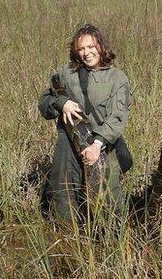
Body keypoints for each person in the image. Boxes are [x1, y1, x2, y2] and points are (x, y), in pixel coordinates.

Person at [39, 24, 131, 223]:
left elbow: (117, 117)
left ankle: (113, 244)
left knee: (108, 200)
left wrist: (97, 145)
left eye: (91, 47)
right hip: (68, 142)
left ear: (101, 46)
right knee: (63, 192)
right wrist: (61, 103)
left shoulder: (117, 78)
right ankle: (69, 241)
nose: (86, 53)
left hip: (103, 143)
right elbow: (45, 103)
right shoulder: (66, 74)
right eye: (81, 49)